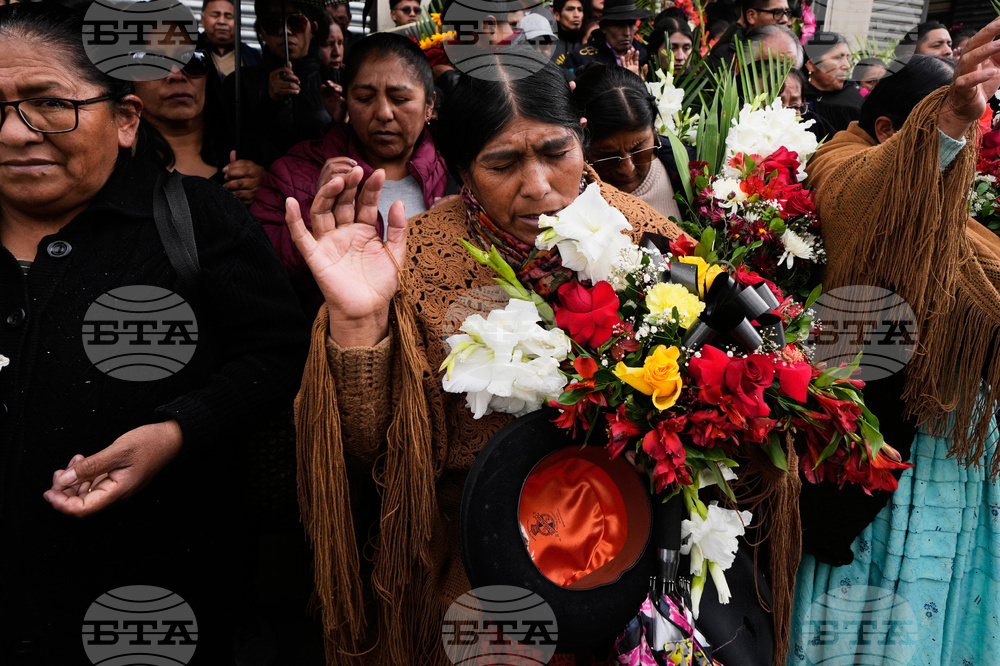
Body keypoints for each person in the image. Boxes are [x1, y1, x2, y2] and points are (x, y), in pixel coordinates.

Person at [284, 59, 688, 664]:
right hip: (471, 584)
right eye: (502, 163)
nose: (538, 185)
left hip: (633, 587)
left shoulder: (649, 240)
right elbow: (374, 452)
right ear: (462, 169)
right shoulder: (412, 259)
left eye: (557, 151)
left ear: (581, 133)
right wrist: (358, 323)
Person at [0, 3, 309, 663]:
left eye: (48, 104)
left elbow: (279, 353)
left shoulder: (195, 220)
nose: (15, 134)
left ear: (124, 119)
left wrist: (178, 430)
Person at [789, 18, 1000, 662]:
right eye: (951, 131)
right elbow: (881, 195)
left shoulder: (959, 215)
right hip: (890, 443)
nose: (967, 144)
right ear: (887, 130)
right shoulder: (841, 163)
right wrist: (947, 123)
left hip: (953, 455)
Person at [253, 33, 449, 315]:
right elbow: (257, 268)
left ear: (429, 104)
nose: (383, 113)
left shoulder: (461, 173)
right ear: (346, 101)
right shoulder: (297, 172)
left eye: (400, 98)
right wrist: (315, 215)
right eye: (365, 98)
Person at [134, 51, 266, 205]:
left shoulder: (251, 154)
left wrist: (266, 190)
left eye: (192, 62)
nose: (176, 75)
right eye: (154, 64)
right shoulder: (115, 161)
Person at [223, 0, 338, 168]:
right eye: (271, 23)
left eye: (296, 22)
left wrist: (342, 118)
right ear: (262, 31)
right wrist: (269, 103)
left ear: (313, 28)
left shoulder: (334, 79)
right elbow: (233, 144)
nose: (285, 31)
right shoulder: (239, 83)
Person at [572, 64, 683, 219]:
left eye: (640, 151)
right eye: (609, 157)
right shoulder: (568, 202)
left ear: (654, 132)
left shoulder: (688, 169)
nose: (627, 169)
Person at [563, 0, 651, 79]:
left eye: (632, 24)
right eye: (620, 25)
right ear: (604, 27)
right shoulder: (581, 57)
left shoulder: (645, 55)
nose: (627, 33)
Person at [802, 31, 864, 136]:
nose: (847, 65)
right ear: (811, 65)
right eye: (838, 58)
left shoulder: (856, 100)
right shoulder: (795, 97)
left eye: (847, 58)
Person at [707, 0, 790, 68]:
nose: (785, 19)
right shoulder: (725, 57)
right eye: (777, 12)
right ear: (751, 16)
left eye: (786, 12)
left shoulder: (791, 52)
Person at [197, 0, 262, 81]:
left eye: (228, 16)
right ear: (203, 19)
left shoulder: (254, 56)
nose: (222, 21)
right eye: (215, 15)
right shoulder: (191, 52)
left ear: (239, 22)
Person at [552, 0, 586, 66]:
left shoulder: (587, 41)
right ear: (557, 16)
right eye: (570, 9)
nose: (576, 15)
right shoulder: (549, 44)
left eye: (580, 10)